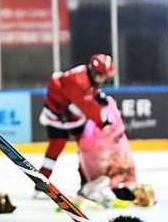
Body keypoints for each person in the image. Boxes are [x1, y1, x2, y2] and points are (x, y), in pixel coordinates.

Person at [36, 54, 115, 184]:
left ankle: (86, 182)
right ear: (93, 71)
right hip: (57, 117)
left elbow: (88, 93)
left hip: (73, 117)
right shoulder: (78, 80)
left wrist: (97, 95)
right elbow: (87, 106)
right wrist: (103, 121)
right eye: (102, 76)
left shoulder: (86, 76)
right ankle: (41, 183)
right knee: (56, 148)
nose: (103, 80)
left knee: (85, 149)